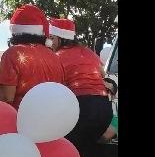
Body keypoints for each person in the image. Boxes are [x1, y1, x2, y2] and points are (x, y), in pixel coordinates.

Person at [48, 18, 114, 147]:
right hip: (104, 107)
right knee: (92, 144)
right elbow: (102, 74)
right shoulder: (87, 51)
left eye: (52, 38)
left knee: (70, 146)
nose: (50, 42)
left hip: (81, 107)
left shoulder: (56, 57)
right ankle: (108, 133)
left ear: (61, 39)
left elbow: (53, 88)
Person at [0, 4, 65, 110]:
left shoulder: (13, 54)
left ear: (14, 32)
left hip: (20, 117)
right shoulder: (55, 57)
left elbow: (5, 98)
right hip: (52, 117)